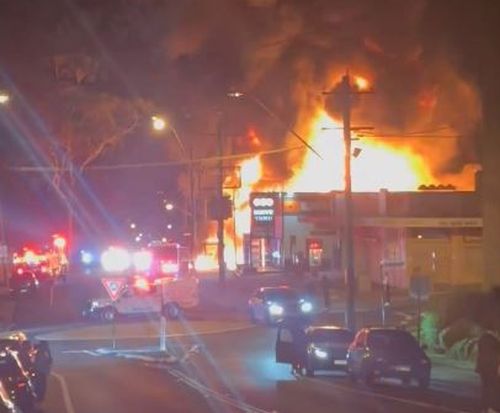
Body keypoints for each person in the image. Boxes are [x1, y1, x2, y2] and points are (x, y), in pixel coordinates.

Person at [476, 329, 500, 413]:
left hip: (484, 367)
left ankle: (484, 407)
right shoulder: (494, 340)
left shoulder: (482, 338)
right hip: (492, 367)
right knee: (493, 388)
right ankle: (491, 408)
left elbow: (480, 352)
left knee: (485, 388)